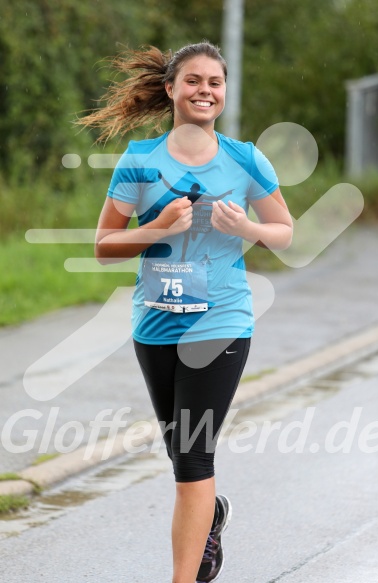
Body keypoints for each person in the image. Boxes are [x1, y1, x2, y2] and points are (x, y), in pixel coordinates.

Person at [78, 41, 293, 583]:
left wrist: (247, 230)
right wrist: (158, 229)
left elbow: (285, 233)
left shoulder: (244, 159)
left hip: (220, 325)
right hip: (154, 325)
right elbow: (105, 244)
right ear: (171, 89)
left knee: (194, 459)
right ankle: (210, 521)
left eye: (214, 82)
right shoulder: (139, 160)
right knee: (181, 456)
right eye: (193, 81)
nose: (205, 90)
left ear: (224, 92)